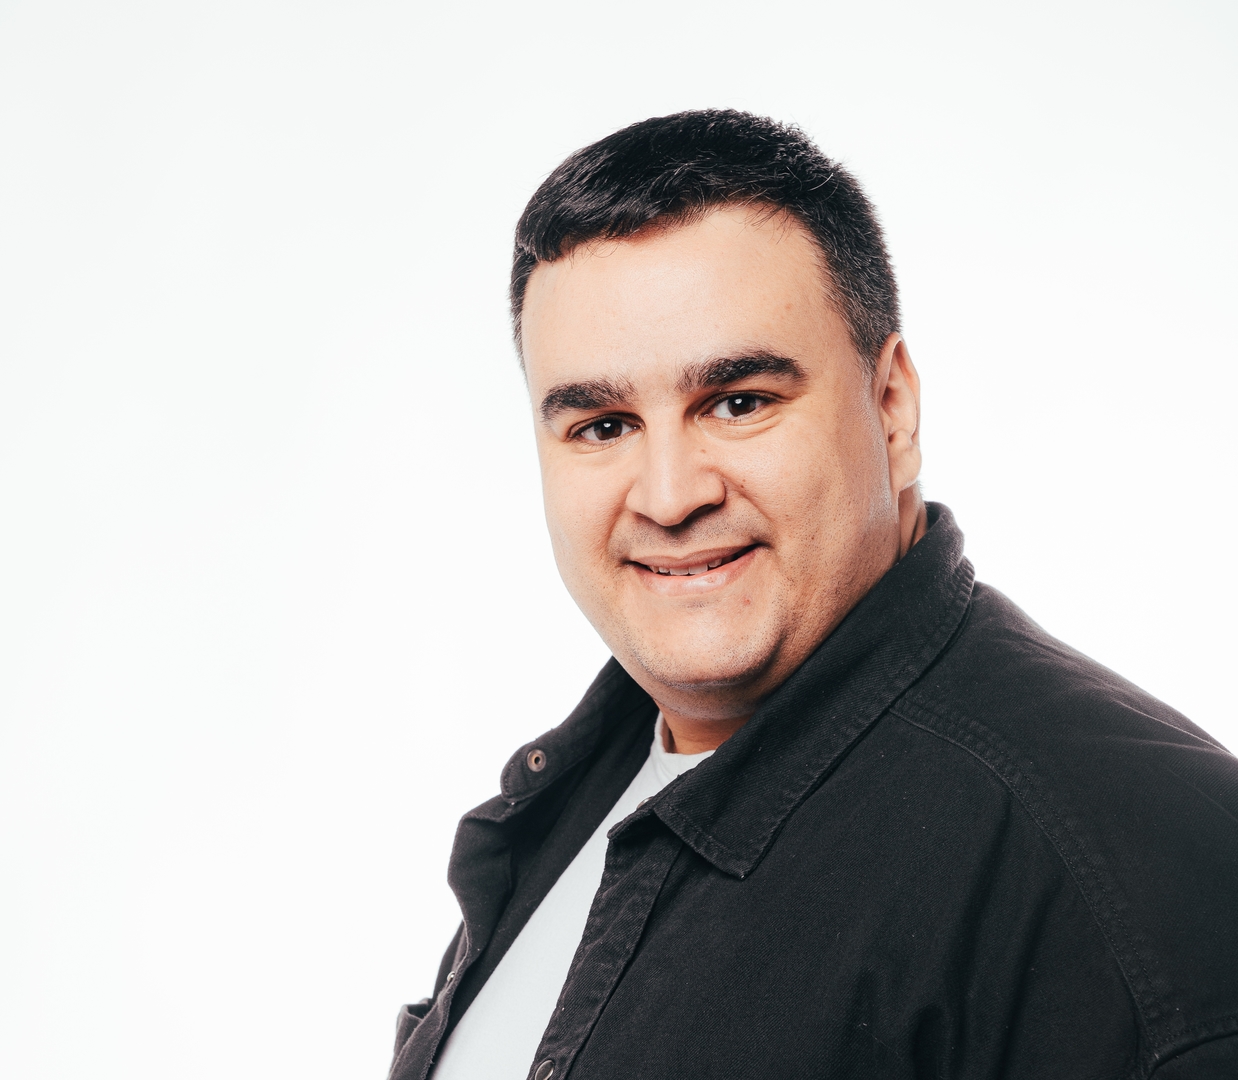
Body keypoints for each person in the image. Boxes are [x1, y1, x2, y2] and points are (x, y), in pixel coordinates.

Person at [388, 110, 1238, 1080]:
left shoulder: (1133, 872)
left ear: (892, 408)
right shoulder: (582, 791)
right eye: (602, 426)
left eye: (738, 402)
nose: (668, 496)